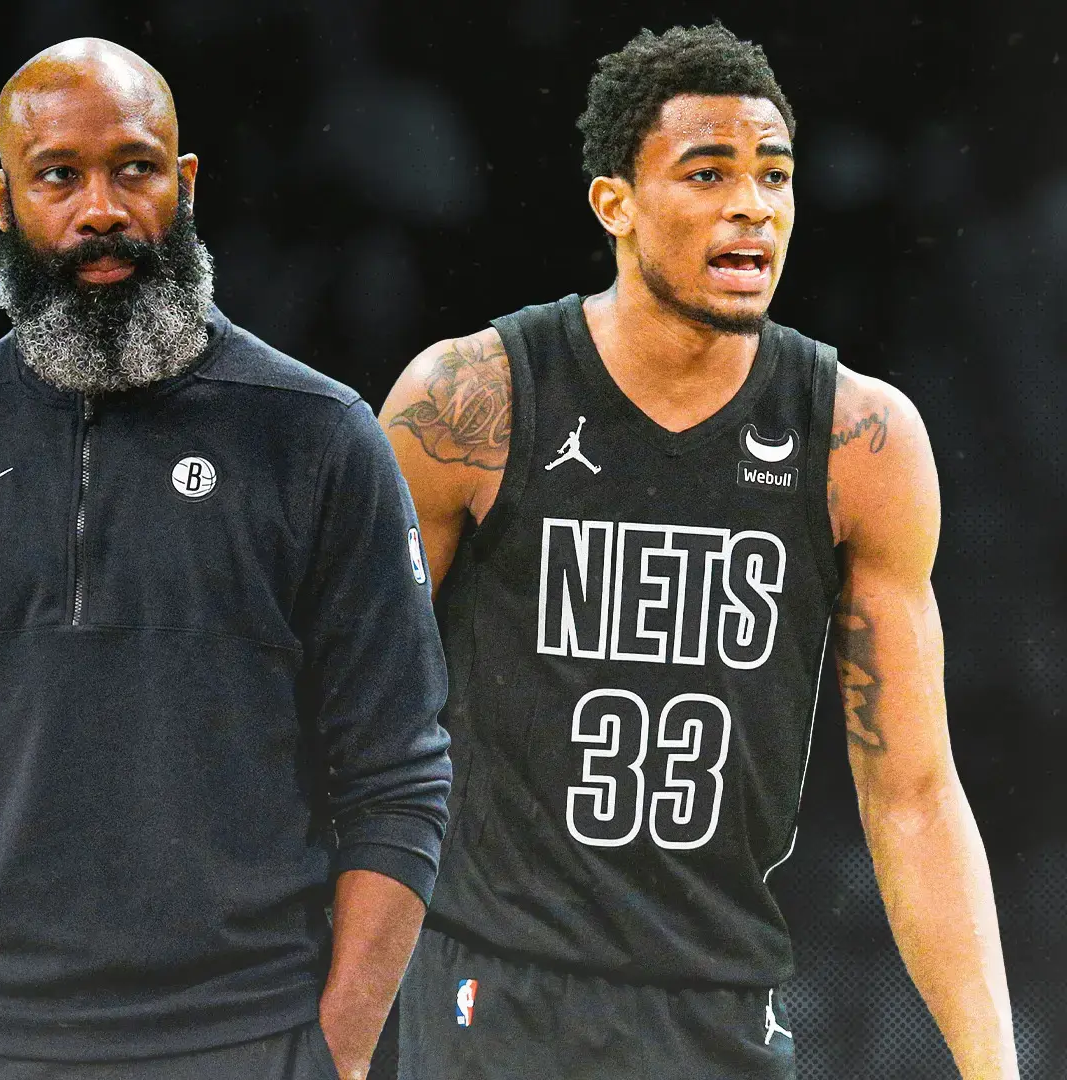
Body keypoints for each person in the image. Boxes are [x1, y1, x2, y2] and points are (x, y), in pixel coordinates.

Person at [378, 23, 1017, 1080]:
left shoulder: (859, 443)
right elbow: (349, 713)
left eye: (774, 175)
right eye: (708, 172)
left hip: (721, 1006)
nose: (752, 206)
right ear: (614, 203)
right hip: (492, 991)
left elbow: (912, 792)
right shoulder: (472, 403)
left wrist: (996, 1071)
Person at [0, 37, 453, 1080]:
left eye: (136, 168)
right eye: (58, 175)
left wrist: (328, 1062)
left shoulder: (319, 437)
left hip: (239, 1038)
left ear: (185, 183)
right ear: (3, 198)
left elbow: (401, 782)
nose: (101, 208)